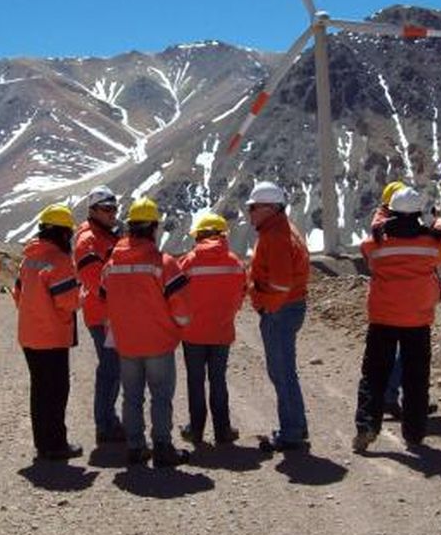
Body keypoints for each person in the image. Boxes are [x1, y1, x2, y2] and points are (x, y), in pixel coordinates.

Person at [354, 187, 441, 452]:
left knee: (374, 376)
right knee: (416, 379)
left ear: (390, 213)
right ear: (417, 214)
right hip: (418, 321)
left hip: (382, 319)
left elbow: (366, 245)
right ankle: (414, 434)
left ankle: (367, 426)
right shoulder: (431, 245)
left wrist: (381, 216)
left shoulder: (376, 245)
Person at [101, 197, 192, 467]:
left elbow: (103, 297)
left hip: (127, 344)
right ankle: (163, 447)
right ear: (153, 228)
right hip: (159, 342)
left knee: (131, 396)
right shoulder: (163, 263)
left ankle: (135, 447)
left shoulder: (112, 264)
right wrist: (178, 327)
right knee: (160, 396)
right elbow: (183, 309)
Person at [13, 204, 83, 460]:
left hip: (29, 336)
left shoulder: (29, 258)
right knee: (56, 391)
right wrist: (81, 294)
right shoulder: (60, 260)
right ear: (63, 233)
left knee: (39, 390)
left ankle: (42, 442)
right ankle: (56, 444)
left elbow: (18, 294)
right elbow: (69, 301)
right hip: (52, 337)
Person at [246, 181, 311, 452]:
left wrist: (265, 306)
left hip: (280, 312)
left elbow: (280, 285)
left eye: (253, 207)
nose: (249, 213)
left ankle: (292, 432)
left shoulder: (275, 236)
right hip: (288, 308)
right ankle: (295, 425)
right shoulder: (282, 230)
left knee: (282, 372)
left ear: (269, 208)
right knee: (284, 371)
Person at [177, 213, 247, 446]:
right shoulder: (235, 262)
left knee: (195, 381)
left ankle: (195, 430)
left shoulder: (188, 261)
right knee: (218, 380)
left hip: (192, 333)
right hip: (221, 331)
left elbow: (176, 294)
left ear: (201, 235)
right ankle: (223, 430)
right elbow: (240, 297)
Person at [74, 186, 126, 443]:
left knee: (113, 368)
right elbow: (93, 278)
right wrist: (115, 298)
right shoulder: (89, 239)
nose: (112, 213)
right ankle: (104, 424)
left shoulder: (105, 235)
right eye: (107, 209)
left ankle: (109, 419)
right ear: (93, 210)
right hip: (101, 314)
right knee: (109, 368)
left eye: (114, 208)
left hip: (111, 313)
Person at [372, 180, 406, 418]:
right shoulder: (386, 228)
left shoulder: (380, 226)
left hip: (388, 299)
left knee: (397, 351)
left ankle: (393, 395)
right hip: (401, 301)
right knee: (404, 352)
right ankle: (391, 395)